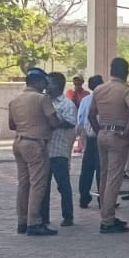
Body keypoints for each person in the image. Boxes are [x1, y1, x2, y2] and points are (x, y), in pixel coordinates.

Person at [8, 69, 65, 237]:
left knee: (23, 183)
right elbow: (53, 122)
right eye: (44, 82)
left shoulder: (15, 100)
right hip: (35, 143)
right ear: (39, 82)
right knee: (38, 183)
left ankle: (22, 221)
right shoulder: (42, 99)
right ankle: (34, 221)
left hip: (19, 142)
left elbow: (11, 125)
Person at [89, 58, 129, 234]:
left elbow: (91, 114)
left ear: (111, 71)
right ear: (126, 72)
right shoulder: (127, 90)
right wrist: (126, 130)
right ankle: (108, 220)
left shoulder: (99, 89)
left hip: (102, 133)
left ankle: (105, 214)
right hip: (118, 135)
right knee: (114, 178)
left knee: (104, 175)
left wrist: (99, 131)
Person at [41, 72, 79, 228]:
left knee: (63, 185)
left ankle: (68, 216)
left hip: (59, 150)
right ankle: (43, 217)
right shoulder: (44, 101)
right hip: (45, 150)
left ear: (57, 85)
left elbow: (71, 122)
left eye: (48, 83)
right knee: (43, 186)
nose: (46, 86)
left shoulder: (66, 104)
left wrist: (53, 122)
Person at [77, 75, 104, 209]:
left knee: (87, 168)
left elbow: (80, 119)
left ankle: (84, 197)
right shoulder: (105, 99)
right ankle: (102, 199)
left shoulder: (86, 100)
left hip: (88, 135)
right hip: (101, 135)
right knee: (101, 168)